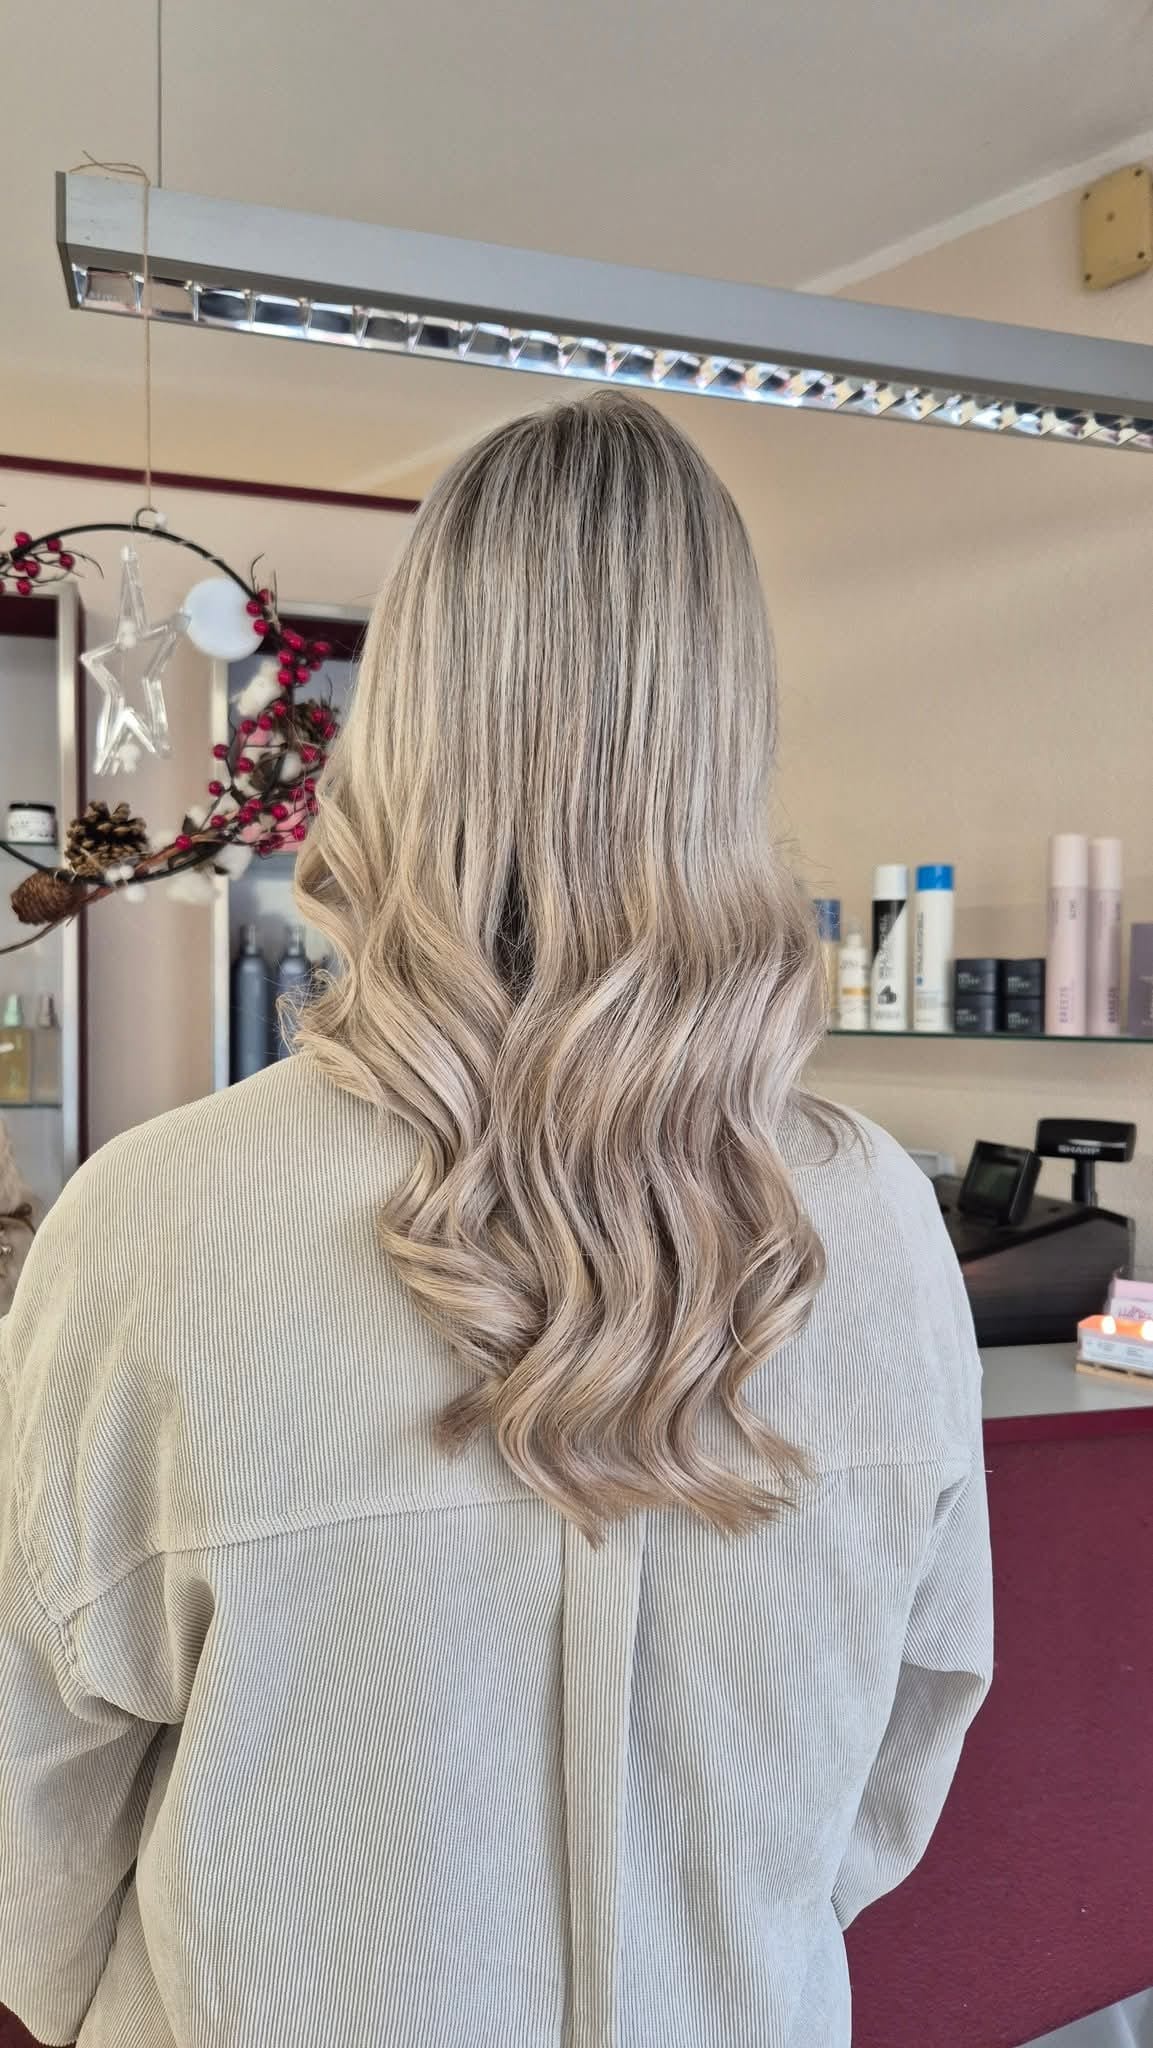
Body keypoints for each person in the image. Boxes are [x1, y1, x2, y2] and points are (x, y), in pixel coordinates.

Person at [0, 392, 992, 2048]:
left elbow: (28, 1806)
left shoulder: (152, 1227)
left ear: (399, 722)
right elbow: (900, 1750)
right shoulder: (877, 1220)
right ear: (725, 732)